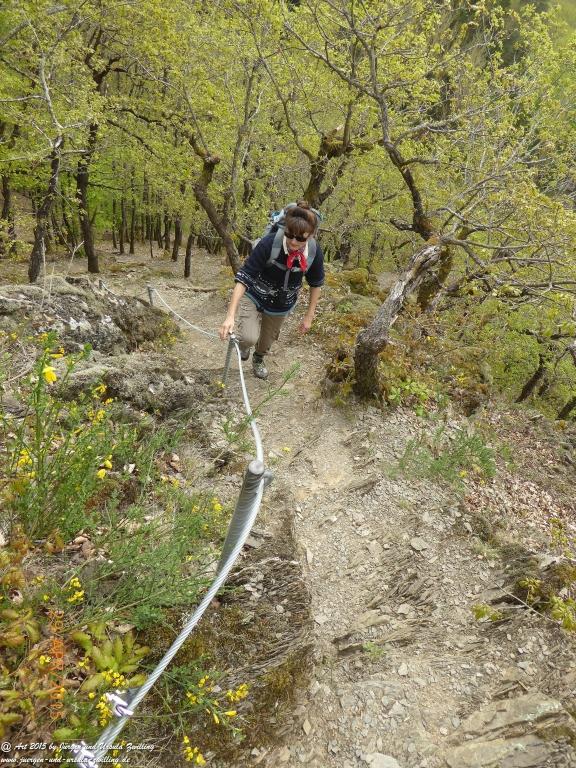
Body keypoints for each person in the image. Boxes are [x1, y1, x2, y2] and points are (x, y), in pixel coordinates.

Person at [219, 202, 324, 379]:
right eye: (289, 234)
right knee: (248, 337)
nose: (293, 241)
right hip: (254, 294)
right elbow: (244, 277)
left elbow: (316, 283)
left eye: (301, 238)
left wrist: (309, 316)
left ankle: (258, 358)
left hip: (282, 303)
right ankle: (244, 346)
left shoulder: (314, 252)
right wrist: (230, 315)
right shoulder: (270, 243)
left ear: (311, 236)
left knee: (266, 341)